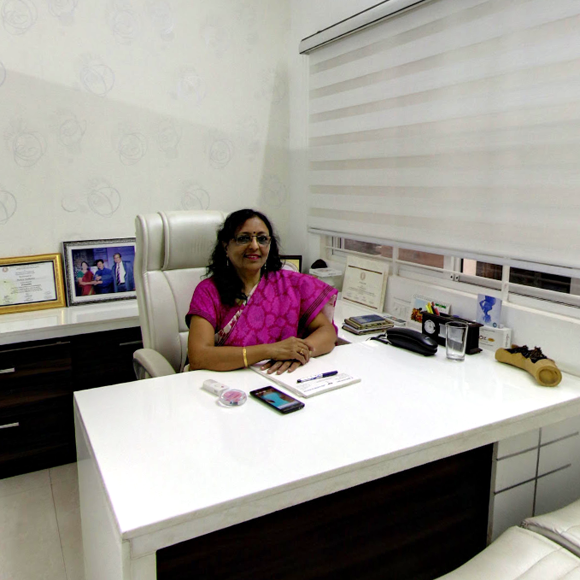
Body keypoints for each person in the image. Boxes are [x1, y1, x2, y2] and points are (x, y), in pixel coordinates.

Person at [187, 209, 338, 374]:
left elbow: (327, 331)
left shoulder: (290, 284)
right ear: (226, 245)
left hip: (277, 377)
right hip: (222, 380)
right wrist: (270, 350)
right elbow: (199, 356)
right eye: (244, 238)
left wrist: (298, 352)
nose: (254, 246)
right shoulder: (208, 291)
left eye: (262, 239)